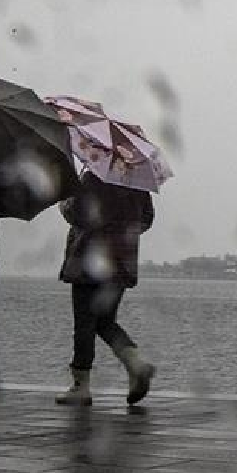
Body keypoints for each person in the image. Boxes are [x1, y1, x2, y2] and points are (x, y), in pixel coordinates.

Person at [56, 171, 156, 406]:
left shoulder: (93, 177)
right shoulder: (136, 181)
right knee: (104, 321)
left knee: (85, 322)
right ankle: (136, 364)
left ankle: (81, 386)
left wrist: (65, 203)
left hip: (89, 261)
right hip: (121, 263)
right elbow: (147, 219)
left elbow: (78, 213)